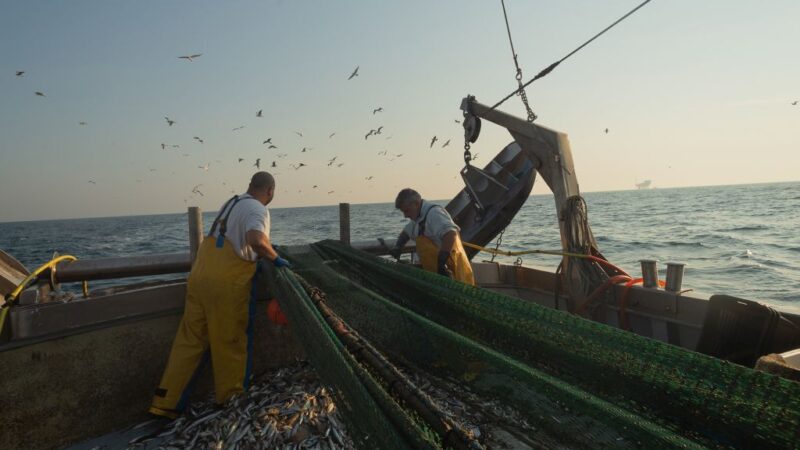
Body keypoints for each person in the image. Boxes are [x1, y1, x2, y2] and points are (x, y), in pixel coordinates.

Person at [149, 171, 290, 419]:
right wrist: (277, 259)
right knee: (230, 341)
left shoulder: (232, 203)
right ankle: (231, 401)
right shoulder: (258, 209)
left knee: (190, 341)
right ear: (270, 191)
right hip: (226, 284)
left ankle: (165, 402)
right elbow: (256, 240)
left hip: (199, 277)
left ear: (250, 185)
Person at [390, 188, 475, 285]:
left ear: (416, 204)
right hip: (437, 272)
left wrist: (441, 263)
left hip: (453, 270)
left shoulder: (434, 213)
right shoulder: (417, 218)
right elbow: (406, 232)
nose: (405, 215)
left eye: (406, 211)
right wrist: (398, 246)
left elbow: (451, 234)